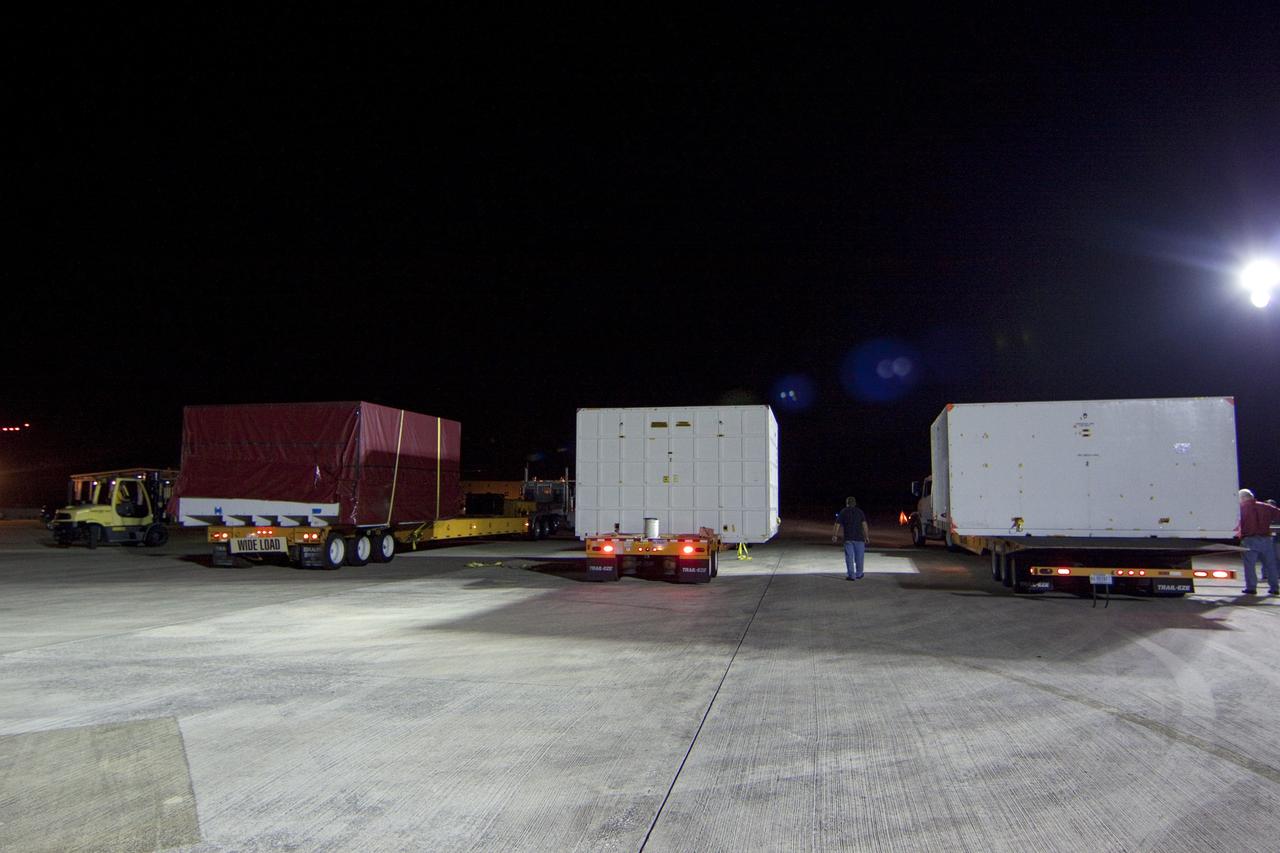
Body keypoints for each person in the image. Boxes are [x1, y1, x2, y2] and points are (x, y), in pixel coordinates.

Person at [1236, 489, 1280, 595]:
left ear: (1242, 498)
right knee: (1270, 564)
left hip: (1249, 539)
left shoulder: (1241, 508)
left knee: (1249, 565)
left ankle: (1251, 588)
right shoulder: (1266, 506)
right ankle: (1275, 588)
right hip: (1266, 539)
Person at [832, 496, 870, 581]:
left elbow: (837, 524)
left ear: (847, 503)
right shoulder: (860, 512)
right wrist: (866, 536)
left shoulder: (843, 511)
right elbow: (864, 525)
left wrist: (835, 535)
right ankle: (859, 574)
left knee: (849, 557)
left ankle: (851, 575)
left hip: (848, 538)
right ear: (855, 503)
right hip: (859, 538)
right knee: (859, 557)